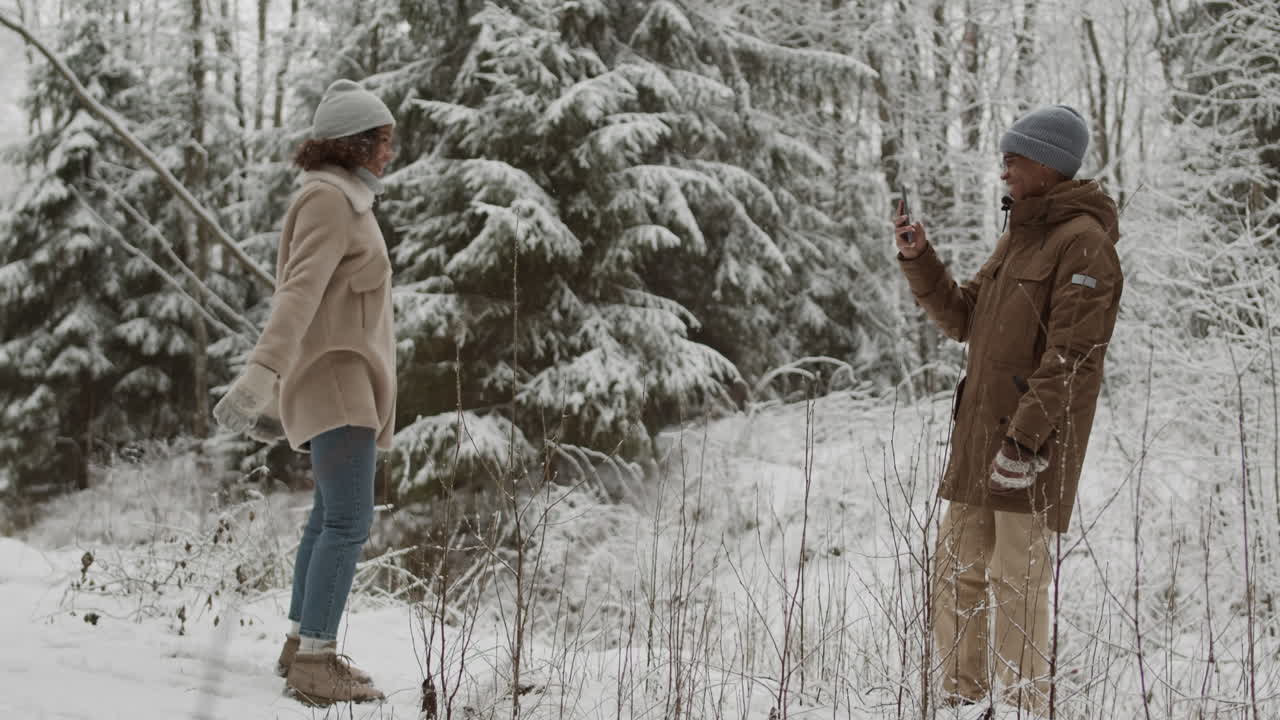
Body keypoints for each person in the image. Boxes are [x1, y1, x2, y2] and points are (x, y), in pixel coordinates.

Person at [893, 105, 1123, 717]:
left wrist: (1023, 446)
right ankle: (962, 703)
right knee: (957, 575)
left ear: (1048, 165)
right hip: (978, 444)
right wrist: (922, 261)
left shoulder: (1085, 246)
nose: (1004, 172)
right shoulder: (1019, 237)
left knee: (1015, 585)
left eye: (1013, 160)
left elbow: (1072, 358)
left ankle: (1022, 708)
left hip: (1029, 449)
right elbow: (966, 318)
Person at [213, 78, 398, 706]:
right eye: (381, 139)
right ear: (354, 144)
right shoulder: (328, 201)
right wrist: (260, 374)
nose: (388, 151)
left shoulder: (345, 200)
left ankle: (301, 646)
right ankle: (317, 660)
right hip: (337, 380)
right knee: (348, 522)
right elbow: (296, 294)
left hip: (343, 377)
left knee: (327, 520)